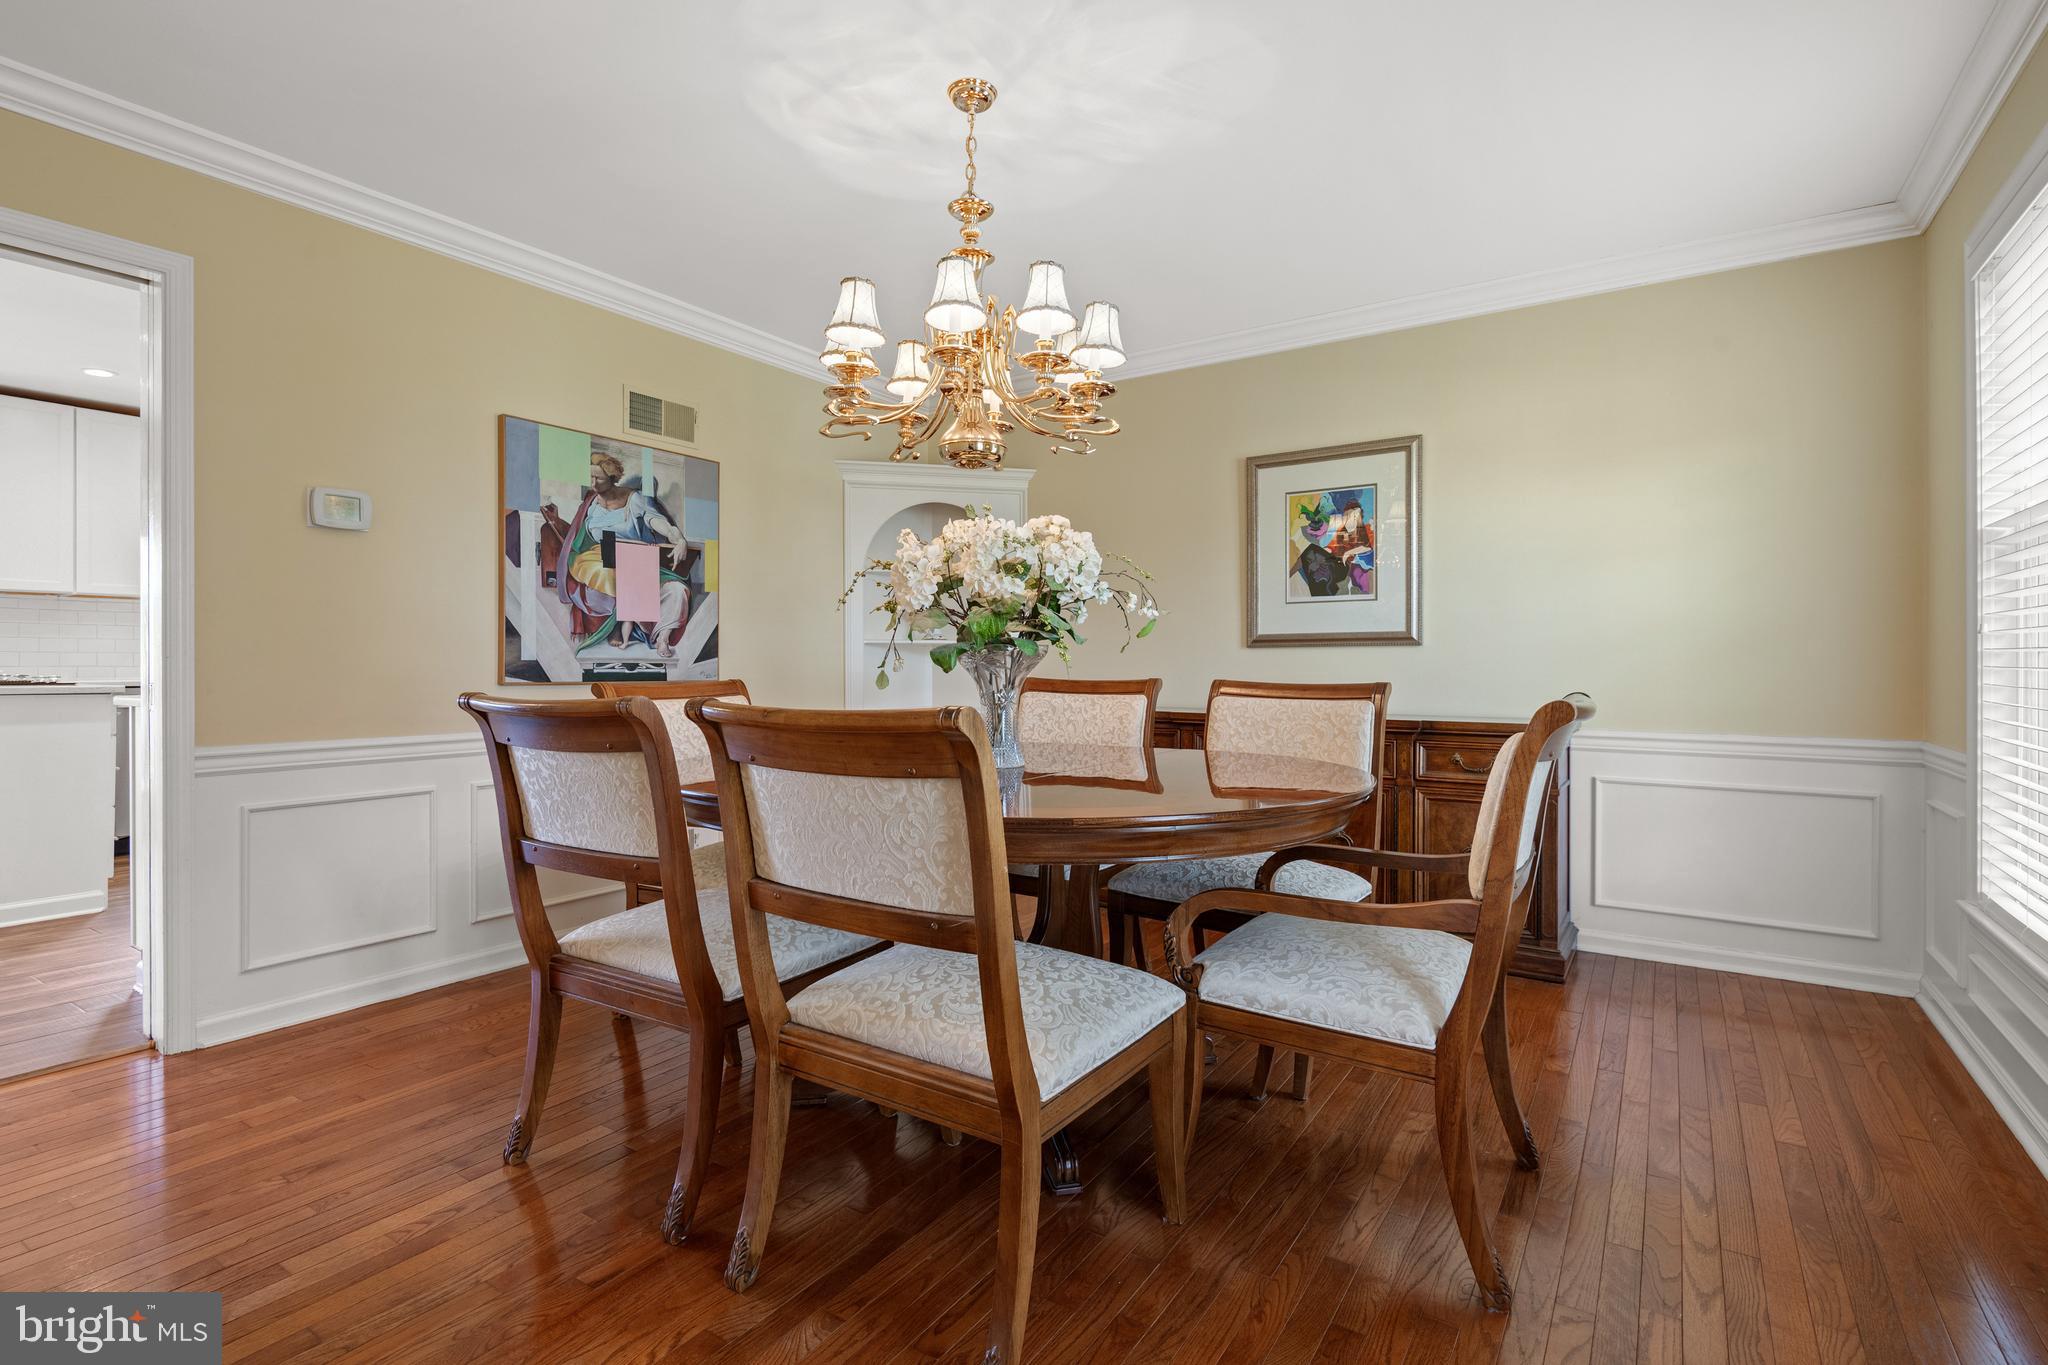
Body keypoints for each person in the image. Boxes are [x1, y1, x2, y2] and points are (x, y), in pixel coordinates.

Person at [544, 452, 692, 658]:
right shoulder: (591, 503)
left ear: (612, 479)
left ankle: (661, 639)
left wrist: (678, 538)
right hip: (598, 556)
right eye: (591, 478)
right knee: (605, 576)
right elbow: (577, 535)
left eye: (599, 479)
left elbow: (658, 522)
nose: (593, 483)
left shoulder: (634, 499)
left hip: (636, 560)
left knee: (676, 590)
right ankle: (618, 623)